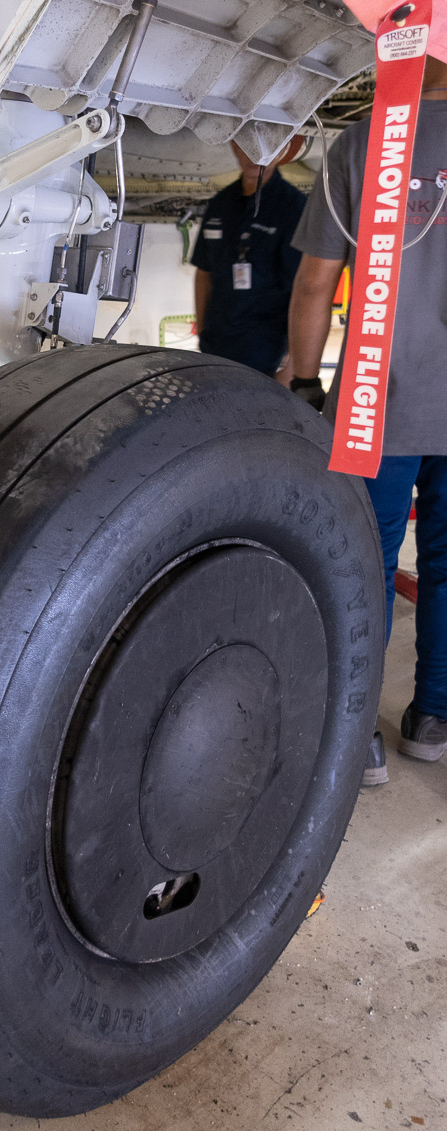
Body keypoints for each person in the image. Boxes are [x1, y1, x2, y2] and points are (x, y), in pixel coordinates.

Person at [288, 54, 447, 784]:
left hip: (372, 405)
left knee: (368, 562)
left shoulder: (361, 143)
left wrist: (303, 382)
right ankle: (433, 719)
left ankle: (358, 737)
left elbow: (316, 282)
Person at [192, 137, 306, 376]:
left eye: (266, 147)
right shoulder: (220, 204)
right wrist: (202, 331)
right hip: (214, 346)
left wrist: (293, 367)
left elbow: (303, 291)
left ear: (282, 151)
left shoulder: (294, 207)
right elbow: (203, 273)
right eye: (248, 146)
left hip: (264, 353)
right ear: (234, 145)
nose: (255, 156)